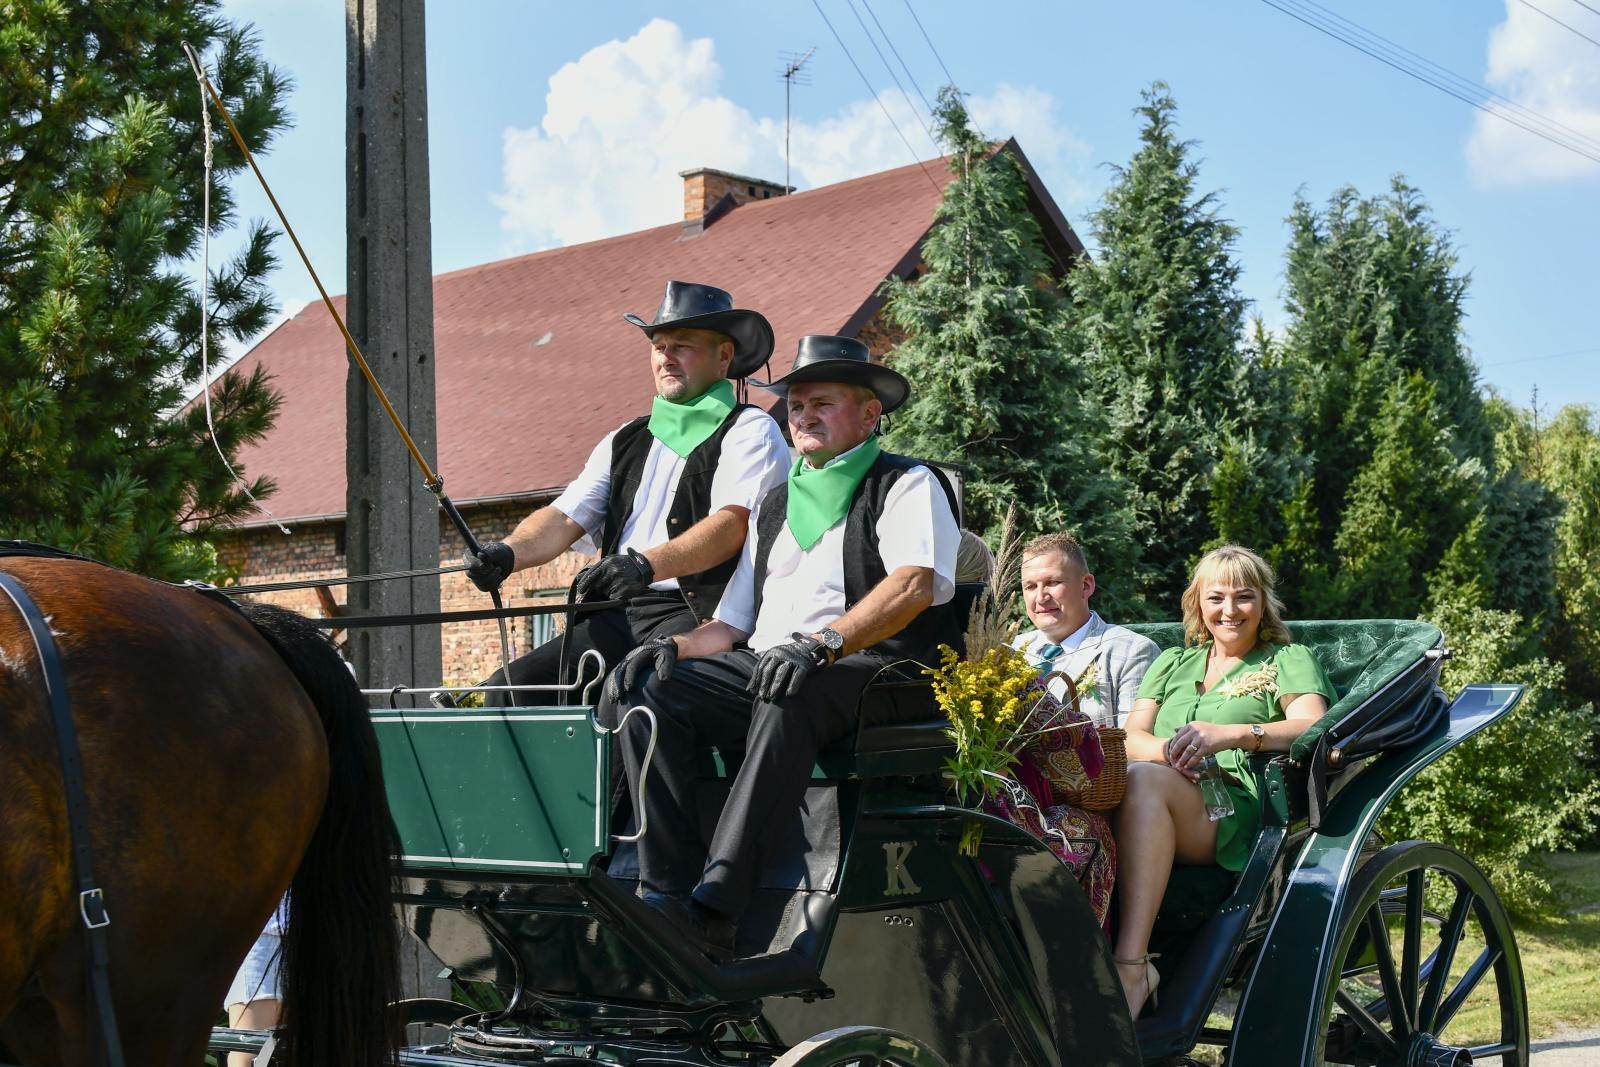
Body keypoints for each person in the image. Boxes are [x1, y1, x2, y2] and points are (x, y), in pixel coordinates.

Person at [598, 335, 959, 958]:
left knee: (788, 691)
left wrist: (822, 645)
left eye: (822, 403)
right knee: (649, 690)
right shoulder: (775, 502)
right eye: (795, 406)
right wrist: (675, 647)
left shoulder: (906, 482)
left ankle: (718, 905)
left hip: (876, 666)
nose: (803, 417)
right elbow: (733, 623)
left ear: (869, 414)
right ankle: (663, 891)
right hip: (776, 659)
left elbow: (913, 585)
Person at [457, 281, 789, 705]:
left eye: (682, 346)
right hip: (617, 614)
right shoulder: (626, 437)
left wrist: (645, 565)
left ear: (723, 356)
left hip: (698, 616)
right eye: (659, 346)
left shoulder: (750, 431)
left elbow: (731, 526)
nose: (665, 357)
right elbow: (565, 516)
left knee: (627, 692)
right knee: (510, 691)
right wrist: (507, 553)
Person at [1111, 545, 1336, 1016]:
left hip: (1231, 804)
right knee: (1120, 785)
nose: (1229, 610)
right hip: (1157, 787)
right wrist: (1170, 752)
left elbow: (1310, 725)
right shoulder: (1173, 662)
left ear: (1263, 602)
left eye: (1244, 596)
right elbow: (1130, 738)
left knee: (1143, 782)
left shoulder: (1286, 658)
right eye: (1216, 598)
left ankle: (1131, 966)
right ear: (1198, 603)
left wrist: (1231, 734)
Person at [1009, 532, 1159, 727]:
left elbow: (1131, 740)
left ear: (1086, 586)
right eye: (1030, 586)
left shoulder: (1132, 651)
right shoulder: (1010, 651)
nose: (1040, 597)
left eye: (1053, 583)